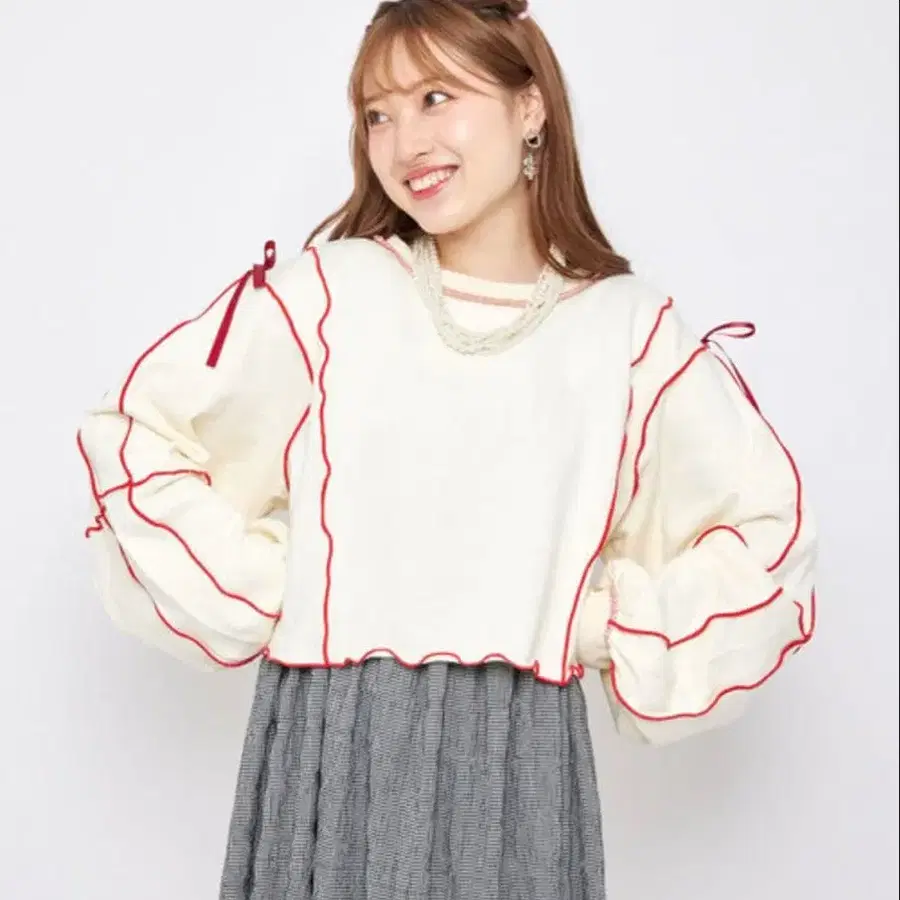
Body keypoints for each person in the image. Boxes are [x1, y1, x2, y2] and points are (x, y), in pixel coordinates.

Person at [76, 1, 818, 897]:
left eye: (436, 97)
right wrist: (280, 582)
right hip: (330, 746)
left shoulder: (627, 332)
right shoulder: (330, 293)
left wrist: (588, 623)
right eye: (378, 114)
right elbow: (139, 437)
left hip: (518, 759)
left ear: (530, 105)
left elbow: (767, 536)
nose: (405, 143)